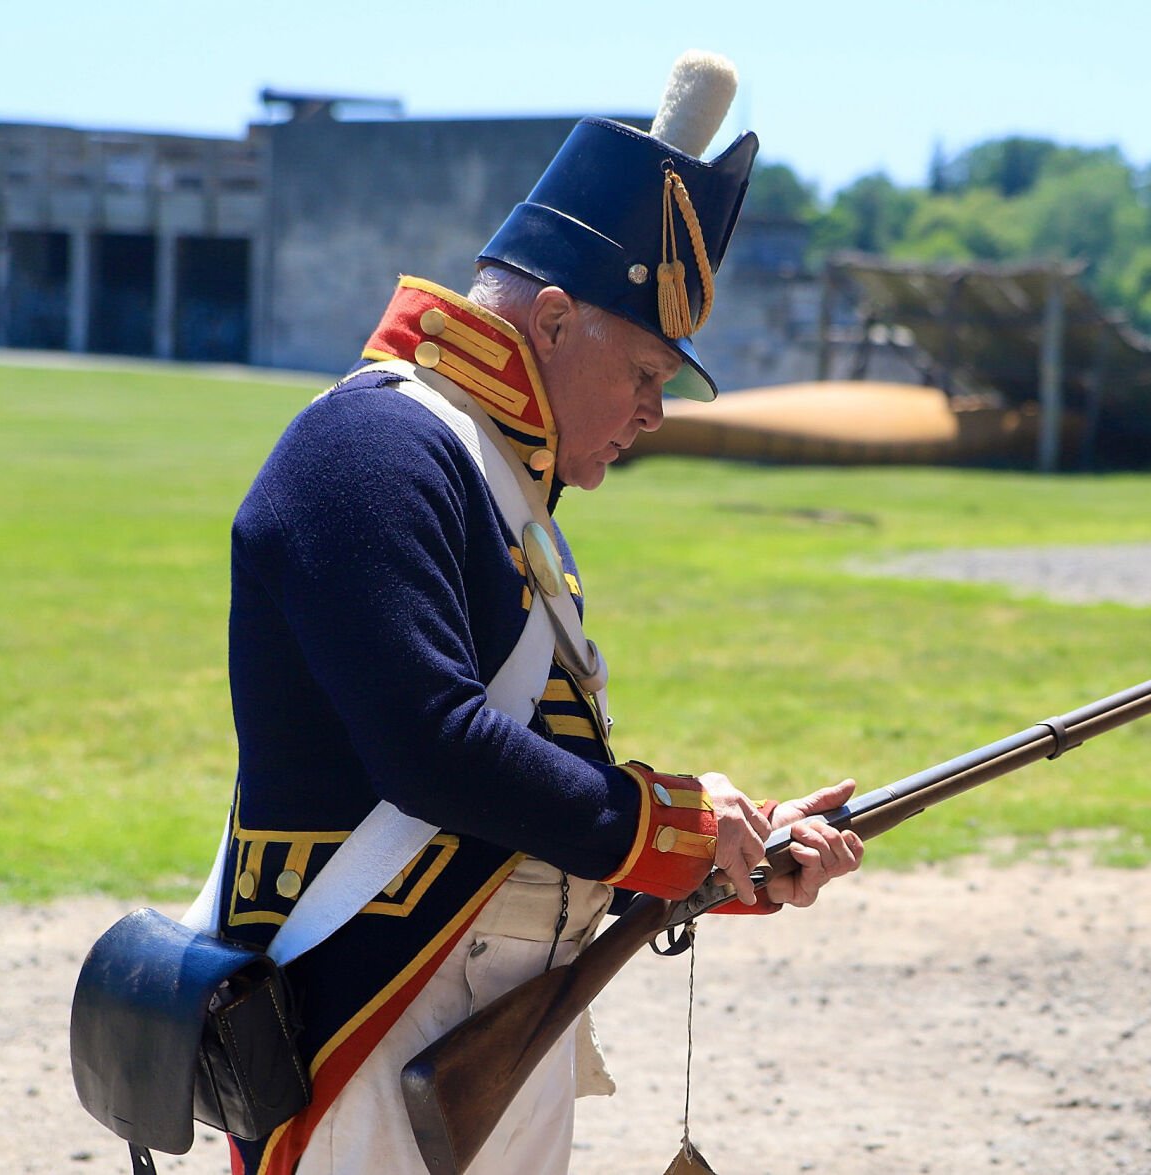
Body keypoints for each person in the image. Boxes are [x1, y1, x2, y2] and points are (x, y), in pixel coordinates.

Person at [213, 55, 864, 1175]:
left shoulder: (491, 479)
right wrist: (670, 827)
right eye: (649, 369)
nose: (655, 413)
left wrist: (723, 852)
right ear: (554, 319)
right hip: (369, 1023)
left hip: (493, 1029)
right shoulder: (374, 446)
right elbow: (433, 748)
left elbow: (520, 800)